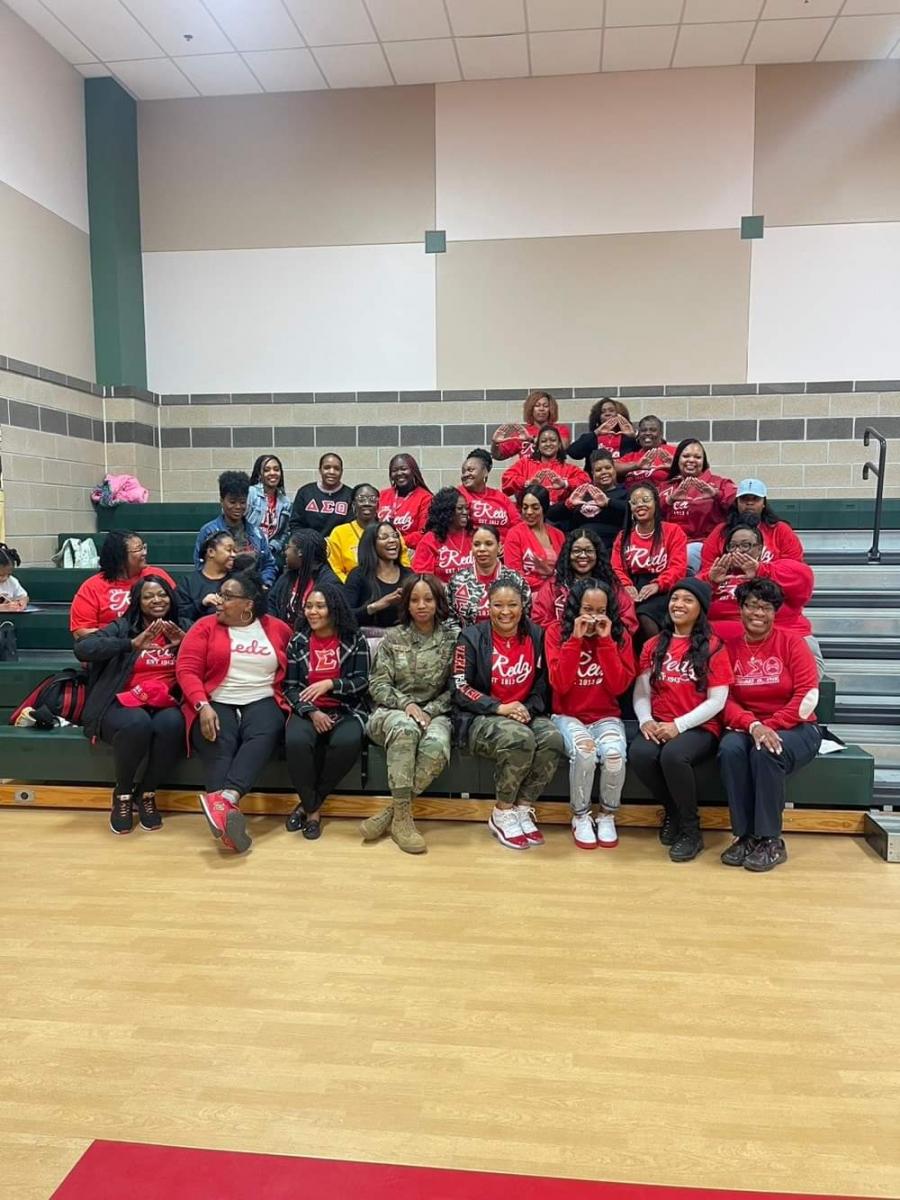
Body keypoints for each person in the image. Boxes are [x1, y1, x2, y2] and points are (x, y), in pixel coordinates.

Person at [176, 571, 292, 855]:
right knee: (219, 739)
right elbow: (187, 669)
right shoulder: (204, 627)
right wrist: (202, 705)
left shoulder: (278, 629)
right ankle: (227, 816)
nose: (219, 601)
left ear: (248, 603)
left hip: (262, 696)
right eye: (220, 594)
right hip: (215, 699)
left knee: (266, 730)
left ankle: (225, 800)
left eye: (227, 597)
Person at [718, 578, 822, 873]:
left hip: (796, 727)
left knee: (767, 751)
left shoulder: (792, 642)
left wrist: (771, 727)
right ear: (740, 609)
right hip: (749, 726)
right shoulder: (729, 648)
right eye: (751, 606)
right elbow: (725, 699)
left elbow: (807, 695)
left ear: (775, 612)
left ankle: (770, 840)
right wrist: (753, 725)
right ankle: (744, 836)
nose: (758, 613)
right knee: (730, 748)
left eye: (765, 607)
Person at [451, 578, 564, 850]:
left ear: (523, 606)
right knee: (520, 738)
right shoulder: (470, 637)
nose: (505, 612)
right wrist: (498, 707)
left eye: (512, 605)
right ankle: (502, 812)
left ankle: (522, 808)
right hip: (481, 717)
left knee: (553, 739)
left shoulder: (537, 635)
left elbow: (543, 685)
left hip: (524, 712)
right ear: (488, 606)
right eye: (498, 605)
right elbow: (459, 687)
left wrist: (526, 709)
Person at [75, 575, 189, 835]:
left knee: (173, 723)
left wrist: (186, 642)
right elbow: (83, 648)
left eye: (162, 594)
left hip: (164, 702)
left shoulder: (182, 627)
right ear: (138, 601)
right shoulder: (123, 627)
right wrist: (129, 644)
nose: (157, 600)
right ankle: (123, 794)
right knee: (137, 722)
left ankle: (146, 792)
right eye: (148, 596)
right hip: (119, 703)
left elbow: (213, 656)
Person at [629, 579, 733, 863]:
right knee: (640, 753)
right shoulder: (653, 645)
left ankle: (690, 830)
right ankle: (673, 811)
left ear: (701, 608)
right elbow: (642, 691)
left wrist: (679, 725)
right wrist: (646, 720)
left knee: (673, 755)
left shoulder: (713, 646)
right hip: (659, 722)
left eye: (688, 600)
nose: (679, 604)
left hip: (699, 726)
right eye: (675, 599)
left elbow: (717, 700)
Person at [362, 574, 456, 854]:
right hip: (390, 712)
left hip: (436, 712)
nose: (421, 605)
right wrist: (406, 705)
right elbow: (378, 684)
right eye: (414, 600)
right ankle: (403, 823)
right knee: (406, 728)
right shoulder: (393, 638)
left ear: (438, 602)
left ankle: (392, 813)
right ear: (406, 604)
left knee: (437, 745)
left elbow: (457, 688)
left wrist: (429, 710)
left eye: (428, 599)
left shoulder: (452, 639)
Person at [547, 579, 636, 851]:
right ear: (576, 608)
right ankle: (580, 815)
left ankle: (607, 815)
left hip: (605, 715)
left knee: (614, 756)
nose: (594, 617)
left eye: (601, 611)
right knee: (585, 753)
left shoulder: (620, 636)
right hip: (567, 715)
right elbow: (560, 684)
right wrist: (575, 640)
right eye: (587, 609)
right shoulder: (555, 632)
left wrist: (606, 642)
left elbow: (619, 686)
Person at [283, 584, 369, 840]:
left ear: (334, 609)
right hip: (308, 711)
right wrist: (312, 712)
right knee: (296, 741)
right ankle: (313, 812)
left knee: (347, 742)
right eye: (309, 606)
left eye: (320, 606)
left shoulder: (354, 639)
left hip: (347, 708)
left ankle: (308, 805)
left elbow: (363, 681)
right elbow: (290, 687)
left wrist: (332, 684)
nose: (312, 611)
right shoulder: (298, 641)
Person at [697, 522, 822, 673]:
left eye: (745, 545)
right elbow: (685, 597)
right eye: (733, 546)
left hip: (782, 644)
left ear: (760, 549)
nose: (738, 551)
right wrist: (710, 581)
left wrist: (760, 570)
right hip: (724, 651)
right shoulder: (718, 574)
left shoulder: (774, 568)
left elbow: (804, 578)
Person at [611, 482, 688, 643]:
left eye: (645, 500)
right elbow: (616, 568)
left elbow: (678, 567)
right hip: (632, 586)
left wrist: (657, 585)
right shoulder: (623, 536)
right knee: (620, 615)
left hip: (664, 587)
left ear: (656, 503)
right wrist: (626, 586)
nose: (640, 505)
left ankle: (657, 654)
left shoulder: (673, 531)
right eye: (635, 502)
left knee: (644, 616)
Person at [70, 530, 176, 639]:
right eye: (138, 549)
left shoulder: (157, 575)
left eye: (144, 547)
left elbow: (178, 612)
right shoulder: (92, 586)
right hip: (112, 646)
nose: (144, 553)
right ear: (120, 556)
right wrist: (125, 641)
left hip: (160, 644)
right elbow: (80, 632)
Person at [532, 526, 638, 635]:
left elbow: (628, 621)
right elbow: (539, 619)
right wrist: (571, 630)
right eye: (576, 551)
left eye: (589, 551)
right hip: (564, 641)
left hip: (604, 640)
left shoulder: (612, 585)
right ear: (568, 554)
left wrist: (605, 629)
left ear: (597, 554)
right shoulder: (554, 586)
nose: (583, 555)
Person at [658, 440, 737, 572]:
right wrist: (669, 500)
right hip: (670, 545)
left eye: (697, 457)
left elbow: (739, 504)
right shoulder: (665, 487)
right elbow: (651, 514)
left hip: (706, 545)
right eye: (686, 456)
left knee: (688, 554)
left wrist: (716, 494)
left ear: (703, 461)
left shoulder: (720, 483)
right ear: (677, 459)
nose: (691, 460)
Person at [193, 471, 277, 587]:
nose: (238, 507)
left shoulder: (256, 532)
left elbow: (269, 564)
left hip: (252, 589)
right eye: (232, 502)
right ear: (222, 501)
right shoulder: (209, 532)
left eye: (242, 502)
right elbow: (200, 566)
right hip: (219, 591)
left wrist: (264, 583)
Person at [700, 478, 805, 569]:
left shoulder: (780, 529)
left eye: (755, 499)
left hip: (769, 584)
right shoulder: (721, 530)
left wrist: (761, 570)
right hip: (729, 583)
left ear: (764, 503)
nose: (749, 503)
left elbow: (794, 567)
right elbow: (707, 567)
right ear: (737, 503)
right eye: (744, 499)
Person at [447, 525, 530, 626]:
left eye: (489, 544)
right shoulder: (457, 581)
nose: (482, 549)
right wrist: (463, 636)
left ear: (499, 547)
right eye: (477, 544)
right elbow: (450, 620)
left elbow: (525, 619)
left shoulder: (516, 580)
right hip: (465, 635)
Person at [328, 483, 410, 582]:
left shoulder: (391, 531)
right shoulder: (339, 533)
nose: (367, 503)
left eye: (372, 499)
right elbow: (335, 569)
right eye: (361, 499)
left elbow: (404, 564)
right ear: (353, 505)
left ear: (378, 505)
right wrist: (353, 585)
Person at [344, 521, 413, 630]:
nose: (392, 540)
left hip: (403, 637)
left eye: (395, 536)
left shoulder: (408, 575)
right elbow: (345, 617)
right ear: (371, 544)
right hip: (367, 637)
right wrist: (377, 605)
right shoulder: (358, 575)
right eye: (384, 537)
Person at [500, 426, 589, 509]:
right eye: (543, 441)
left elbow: (585, 481)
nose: (548, 444)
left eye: (553, 440)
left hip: (559, 514)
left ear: (559, 445)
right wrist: (526, 483)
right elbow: (507, 480)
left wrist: (565, 484)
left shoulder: (570, 469)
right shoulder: (524, 464)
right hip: (528, 512)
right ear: (538, 446)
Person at [267, 529, 341, 627]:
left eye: (288, 547)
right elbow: (271, 604)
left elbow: (328, 621)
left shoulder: (329, 583)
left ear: (300, 552)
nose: (285, 552)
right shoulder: (289, 576)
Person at [502, 485, 565, 591]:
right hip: (527, 593)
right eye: (525, 507)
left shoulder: (559, 535)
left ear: (544, 508)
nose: (529, 512)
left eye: (535, 508)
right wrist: (548, 584)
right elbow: (514, 575)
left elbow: (565, 571)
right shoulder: (514, 534)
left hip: (557, 592)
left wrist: (551, 576)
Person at [565, 449, 628, 549]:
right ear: (592, 473)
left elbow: (632, 509)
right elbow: (553, 516)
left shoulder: (625, 493)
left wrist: (609, 502)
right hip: (581, 546)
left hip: (611, 547)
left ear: (614, 469)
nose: (604, 472)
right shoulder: (582, 493)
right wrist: (569, 504)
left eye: (608, 468)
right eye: (598, 470)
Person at [411, 487, 473, 585]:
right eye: (460, 508)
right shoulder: (430, 540)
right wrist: (449, 588)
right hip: (442, 592)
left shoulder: (474, 535)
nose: (465, 512)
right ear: (446, 511)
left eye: (466, 508)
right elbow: (422, 577)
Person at [490, 390, 571, 462]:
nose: (541, 409)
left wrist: (531, 439)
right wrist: (495, 443)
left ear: (551, 409)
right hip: (527, 474)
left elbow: (563, 446)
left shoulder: (560, 429)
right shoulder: (522, 432)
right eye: (537, 405)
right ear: (530, 409)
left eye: (545, 406)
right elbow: (498, 456)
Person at [457, 450, 521, 540]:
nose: (466, 474)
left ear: (485, 472)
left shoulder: (501, 497)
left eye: (470, 470)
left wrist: (508, 544)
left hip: (504, 545)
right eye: (463, 472)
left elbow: (517, 524)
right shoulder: (457, 495)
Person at [176, 531, 236, 623]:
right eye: (229, 550)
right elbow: (180, 616)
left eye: (235, 551)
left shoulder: (238, 581)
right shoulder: (188, 583)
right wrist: (202, 604)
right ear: (211, 552)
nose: (233, 555)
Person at [289, 453, 354, 538]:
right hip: (308, 544)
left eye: (336, 468)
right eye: (327, 467)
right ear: (320, 470)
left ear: (341, 471)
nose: (331, 472)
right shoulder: (305, 492)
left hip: (339, 544)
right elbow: (295, 524)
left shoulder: (350, 495)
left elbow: (351, 527)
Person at [568, 398, 638, 471]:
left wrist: (634, 436)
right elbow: (573, 453)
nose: (607, 414)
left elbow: (644, 454)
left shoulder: (629, 438)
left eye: (611, 410)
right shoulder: (592, 438)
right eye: (603, 412)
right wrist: (596, 433)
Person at [377, 454, 432, 549]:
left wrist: (396, 541)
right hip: (381, 550)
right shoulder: (382, 495)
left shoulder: (426, 498)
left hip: (410, 551)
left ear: (413, 471)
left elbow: (424, 533)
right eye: (394, 470)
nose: (399, 473)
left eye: (404, 469)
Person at [247, 454, 291, 562]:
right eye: (267, 470)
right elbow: (237, 523)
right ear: (259, 474)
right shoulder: (251, 493)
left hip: (269, 554)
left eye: (276, 469)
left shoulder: (285, 502)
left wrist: (272, 547)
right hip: (247, 551)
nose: (272, 473)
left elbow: (283, 533)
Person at [615, 415, 677, 490]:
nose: (647, 433)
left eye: (653, 430)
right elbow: (612, 467)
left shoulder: (672, 451)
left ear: (661, 434)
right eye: (643, 430)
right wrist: (636, 466)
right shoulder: (631, 456)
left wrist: (674, 466)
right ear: (639, 434)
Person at [0, 543, 27, 611]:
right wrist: (4, 608)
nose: (5, 578)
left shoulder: (12, 581)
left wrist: (22, 603)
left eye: (8, 574)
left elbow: (23, 596)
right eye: (0, 575)